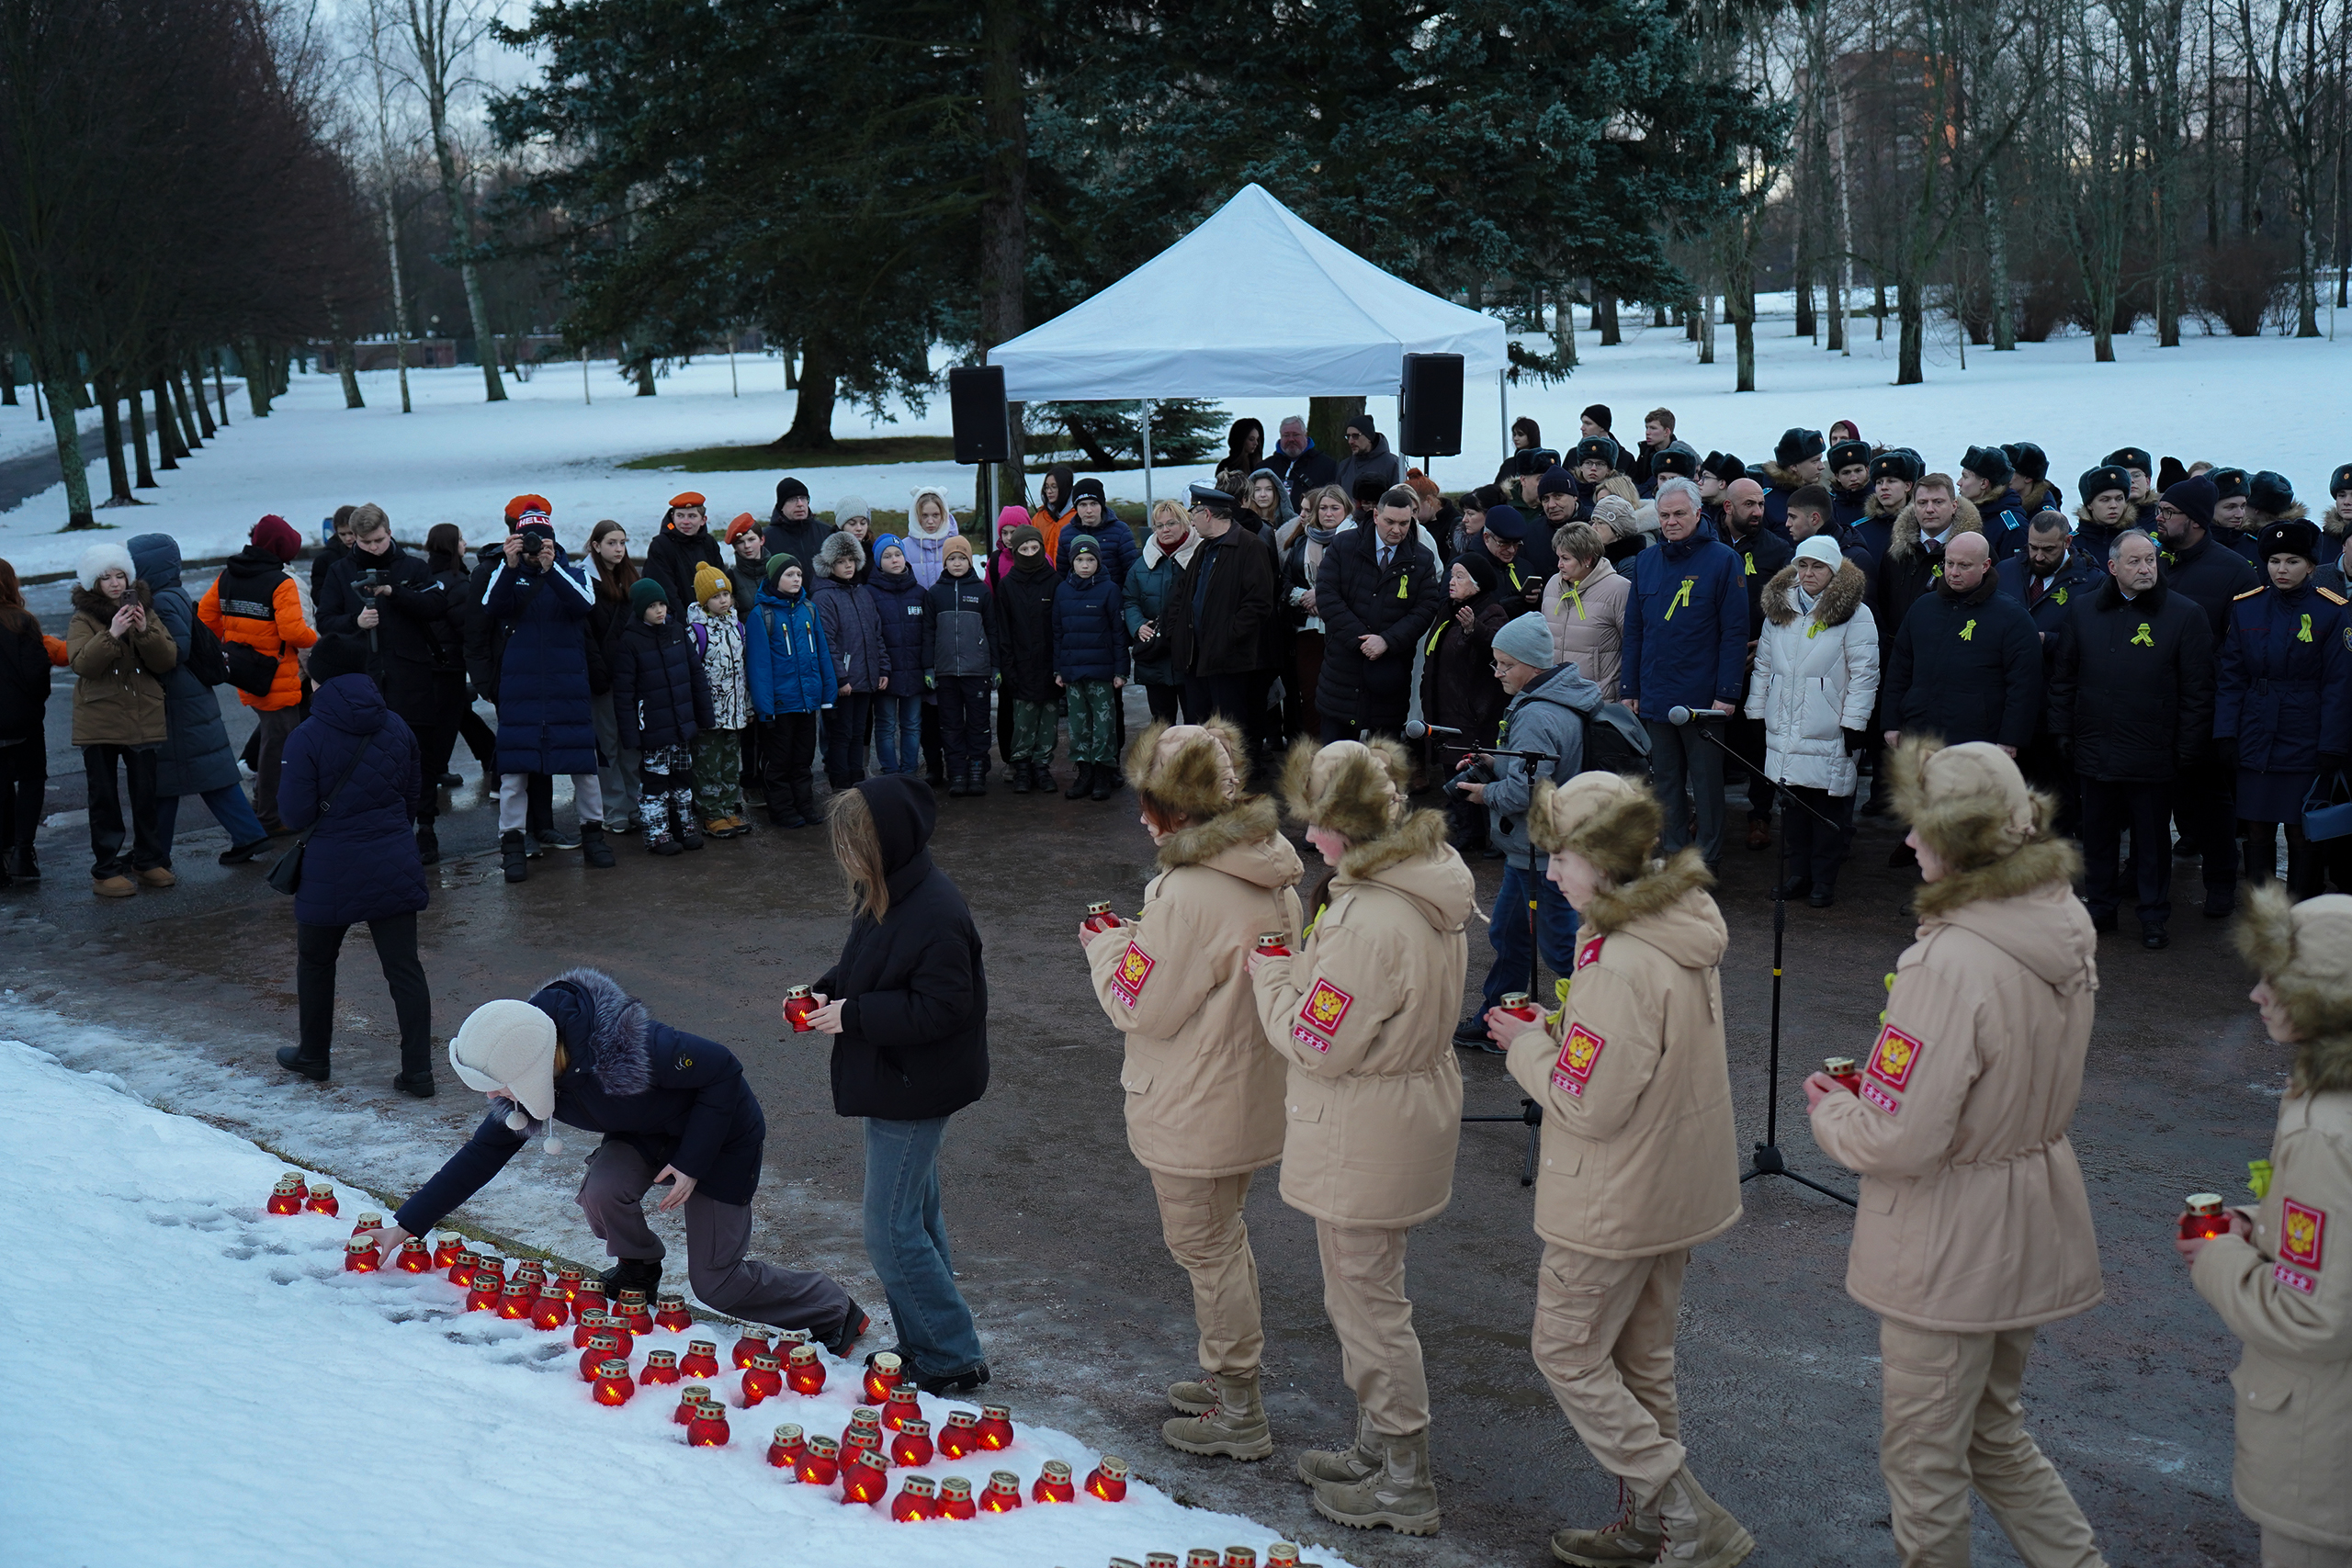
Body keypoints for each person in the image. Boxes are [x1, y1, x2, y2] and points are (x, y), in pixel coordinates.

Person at [1807, 739, 2112, 1568]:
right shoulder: (2061, 918)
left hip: (1949, 1238)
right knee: (1992, 1435)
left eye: (1922, 826)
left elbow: (1901, 1136)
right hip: (2027, 1211)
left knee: (1924, 1459)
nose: (1908, 841)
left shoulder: (1949, 961)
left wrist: (1835, 1114)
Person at [1487, 771, 1752, 1568]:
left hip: (1613, 1195)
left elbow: (1589, 1103)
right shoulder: (1676, 923)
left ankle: (1684, 1510)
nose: (1553, 870)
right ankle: (1655, 1523)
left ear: (1602, 859)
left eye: (1563, 855)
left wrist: (1525, 1045)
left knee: (1567, 1350)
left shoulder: (1621, 961)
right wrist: (1563, 1030)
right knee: (1642, 1361)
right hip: (1670, 1187)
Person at [369, 968, 866, 1345]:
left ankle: (832, 1311)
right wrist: (404, 1225)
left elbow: (722, 1069)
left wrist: (693, 1162)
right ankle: (639, 1268)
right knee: (602, 1192)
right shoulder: (532, 1077)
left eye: (494, 1084)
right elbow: (480, 1155)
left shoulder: (632, 1046)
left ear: (527, 1065)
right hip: (645, 1133)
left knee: (717, 1284)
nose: (490, 1096)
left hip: (717, 1135)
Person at [1251, 738, 1475, 1538]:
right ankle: (1377, 1446)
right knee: (1371, 1290)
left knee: (1369, 1304)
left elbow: (1318, 1041)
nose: (1310, 839)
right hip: (1402, 1110)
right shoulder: (1421, 881)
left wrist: (1273, 976)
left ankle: (1405, 1481)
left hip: (1364, 1124)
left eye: (1320, 824)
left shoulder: (1369, 915)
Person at [1080, 720, 1298, 1460]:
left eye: (1150, 802)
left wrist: (1109, 943)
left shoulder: (1187, 890)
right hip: (1245, 1091)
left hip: (1194, 1099)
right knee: (1222, 1240)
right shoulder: (1264, 869)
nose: (1141, 817)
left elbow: (1140, 1004)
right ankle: (1226, 1377)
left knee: (1206, 1247)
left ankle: (1238, 1402)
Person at [2185, 884, 2352, 1568]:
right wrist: (2263, 1224)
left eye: (2276, 979)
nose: (2257, 994)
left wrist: (2217, 1251)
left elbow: (2313, 1316)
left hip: (2324, 1452)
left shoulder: (2326, 1127)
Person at [807, 776, 989, 1394]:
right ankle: (928, 1343)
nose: (847, 860)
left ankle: (950, 1354)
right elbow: (867, 968)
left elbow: (943, 1007)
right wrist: (828, 989)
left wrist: (853, 1015)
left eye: (855, 847)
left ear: (885, 844)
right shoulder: (885, 892)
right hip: (896, 1078)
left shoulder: (936, 911)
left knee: (888, 1228)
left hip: (916, 1087)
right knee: (912, 1214)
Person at [270, 634, 433, 1092]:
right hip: (392, 859)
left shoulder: (306, 736)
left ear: (317, 677)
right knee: (404, 969)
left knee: (317, 963)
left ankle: (314, 1056)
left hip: (329, 867)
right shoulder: (396, 725)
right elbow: (412, 795)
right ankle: (419, 1071)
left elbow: (294, 814)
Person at [2048, 528, 2215, 948]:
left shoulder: (2185, 615)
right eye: (2135, 562)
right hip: (2096, 743)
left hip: (2153, 750)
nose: (2145, 569)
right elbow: (2065, 679)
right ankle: (2100, 908)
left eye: (2151, 561)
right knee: (2098, 835)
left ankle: (2154, 915)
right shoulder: (2084, 611)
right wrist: (2062, 730)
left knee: (2153, 840)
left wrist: (2187, 748)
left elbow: (2198, 692)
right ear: (2113, 567)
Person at [1449, 615, 1606, 1048]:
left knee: (1559, 948)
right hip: (1534, 849)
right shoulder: (1559, 700)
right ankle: (1499, 1016)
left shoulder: (1537, 714)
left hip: (1540, 852)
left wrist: (1485, 793)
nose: (1497, 673)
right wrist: (1495, 762)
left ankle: (1594, 1023)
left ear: (1531, 667)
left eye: (1504, 665)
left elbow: (1526, 789)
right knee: (1510, 934)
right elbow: (1532, 767)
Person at [2217, 519, 2352, 899]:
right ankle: (2263, 913)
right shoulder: (2248, 608)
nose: (2281, 569)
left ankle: (2302, 909)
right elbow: (2231, 675)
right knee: (2257, 826)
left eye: (2292, 561)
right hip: (2256, 730)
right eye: (2274, 560)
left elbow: (2339, 686)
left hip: (2305, 734)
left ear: (2311, 566)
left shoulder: (2330, 612)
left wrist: (2332, 746)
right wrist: (2225, 732)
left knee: (2300, 828)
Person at [481, 500, 616, 880]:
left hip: (567, 687)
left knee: (584, 767)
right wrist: (510, 567)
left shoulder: (574, 574)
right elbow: (491, 606)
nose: (536, 546)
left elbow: (584, 604)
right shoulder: (503, 574)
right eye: (528, 541)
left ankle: (594, 836)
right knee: (513, 773)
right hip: (521, 689)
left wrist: (551, 567)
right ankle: (512, 845)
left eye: (542, 541)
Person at [317, 504, 460, 861]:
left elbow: (436, 605)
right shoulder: (340, 570)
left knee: (419, 755)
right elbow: (325, 621)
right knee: (367, 760)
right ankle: (381, 830)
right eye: (366, 542)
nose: (374, 547)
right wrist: (355, 621)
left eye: (379, 540)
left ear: (390, 532)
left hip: (411, 676)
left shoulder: (412, 567)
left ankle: (425, 827)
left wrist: (396, 592)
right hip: (362, 677)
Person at [1746, 536, 1881, 907]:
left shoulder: (1855, 613)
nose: (1808, 573)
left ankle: (1824, 880)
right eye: (1802, 565)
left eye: (1817, 566)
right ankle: (1798, 874)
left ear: (1833, 570)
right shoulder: (1781, 608)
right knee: (1792, 807)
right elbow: (1764, 666)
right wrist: (1757, 712)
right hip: (1785, 725)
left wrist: (1855, 723)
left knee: (1828, 808)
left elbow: (1865, 672)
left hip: (1829, 726)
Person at [1622, 478, 1747, 873]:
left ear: (1697, 513)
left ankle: (1706, 862)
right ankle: (1674, 856)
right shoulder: (1645, 561)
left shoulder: (1723, 560)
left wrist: (1726, 693)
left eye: (1679, 514)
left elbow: (1735, 632)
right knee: (1666, 783)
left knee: (1708, 785)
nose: (1671, 521)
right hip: (1655, 693)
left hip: (1703, 698)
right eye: (1664, 515)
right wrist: (1631, 687)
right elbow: (1635, 630)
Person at [127, 534, 272, 869]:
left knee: (173, 780)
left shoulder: (161, 601)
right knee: (201, 777)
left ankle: (157, 852)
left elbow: (176, 651)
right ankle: (160, 849)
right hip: (187, 700)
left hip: (178, 704)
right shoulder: (170, 593)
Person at [2156, 474, 2261, 915]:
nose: (2158, 518)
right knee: (2152, 796)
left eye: (2168, 513)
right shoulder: (2154, 560)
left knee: (2209, 800)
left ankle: (2220, 880)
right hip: (2149, 701)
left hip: (2202, 702)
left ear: (2195, 521)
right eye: (2158, 510)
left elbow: (2240, 647)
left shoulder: (2234, 569)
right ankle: (2147, 871)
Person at [67, 543, 178, 897]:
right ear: (93, 583)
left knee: (145, 793)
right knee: (104, 797)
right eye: (106, 577)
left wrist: (145, 631)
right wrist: (111, 633)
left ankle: (147, 861)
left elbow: (167, 660)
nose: (115, 584)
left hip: (141, 713)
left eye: (120, 575)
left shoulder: (145, 609)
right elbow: (82, 664)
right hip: (99, 717)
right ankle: (105, 868)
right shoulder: (83, 618)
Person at [198, 513, 318, 836]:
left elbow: (205, 618)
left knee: (272, 741)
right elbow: (294, 631)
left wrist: (236, 641)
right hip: (277, 675)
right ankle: (270, 815)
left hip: (244, 671)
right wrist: (318, 642)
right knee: (280, 747)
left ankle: (268, 808)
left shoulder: (229, 575)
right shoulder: (281, 582)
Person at [1882, 532, 2041, 757]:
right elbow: (1899, 669)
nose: (1954, 573)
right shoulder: (1922, 609)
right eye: (1949, 563)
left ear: (1985, 565)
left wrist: (2011, 739)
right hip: (1919, 734)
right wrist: (1891, 722)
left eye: (1964, 566)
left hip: (1977, 741)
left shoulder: (2012, 617)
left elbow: (2024, 685)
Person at [1314, 485, 1443, 744]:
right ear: (1376, 516)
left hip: (1390, 673)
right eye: (1390, 522)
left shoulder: (1422, 559)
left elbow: (1426, 608)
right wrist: (1361, 638)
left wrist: (1387, 641)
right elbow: (1327, 596)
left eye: (1404, 523)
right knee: (1335, 759)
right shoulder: (1343, 546)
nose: (1396, 530)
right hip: (1343, 668)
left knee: (1385, 760)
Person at [614, 577, 713, 855]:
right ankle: (657, 834)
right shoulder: (631, 642)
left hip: (681, 724)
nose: (660, 611)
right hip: (653, 729)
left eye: (662, 605)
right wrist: (631, 733)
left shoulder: (677, 632)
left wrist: (703, 715)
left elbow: (695, 675)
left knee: (682, 779)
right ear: (639, 609)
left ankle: (684, 827)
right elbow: (624, 693)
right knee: (655, 785)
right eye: (653, 606)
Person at [1167, 484, 1277, 728]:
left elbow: (1259, 603)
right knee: (1197, 731)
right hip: (1195, 659)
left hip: (1229, 662)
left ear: (1206, 514)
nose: (1192, 523)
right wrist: (1177, 633)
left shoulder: (1250, 547)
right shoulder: (1203, 548)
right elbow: (1182, 596)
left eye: (1193, 515)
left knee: (1229, 733)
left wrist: (1228, 637)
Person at [1420, 554, 1512, 850]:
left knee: (1475, 771)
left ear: (1477, 584)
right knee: (1452, 769)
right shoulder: (1448, 609)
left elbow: (1499, 648)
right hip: (1445, 707)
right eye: (1452, 575)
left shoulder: (1491, 612)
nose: (1452, 581)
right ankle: (1468, 832)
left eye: (1460, 576)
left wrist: (1475, 631)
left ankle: (1493, 838)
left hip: (1474, 713)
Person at [744, 553, 831, 827]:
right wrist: (765, 708)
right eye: (789, 575)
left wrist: (827, 694)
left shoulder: (808, 609)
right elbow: (759, 667)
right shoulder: (762, 615)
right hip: (781, 705)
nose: (796, 580)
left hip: (806, 701)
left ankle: (804, 805)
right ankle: (782, 810)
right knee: (779, 761)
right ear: (774, 578)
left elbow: (823, 654)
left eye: (799, 575)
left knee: (804, 759)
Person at [1051, 534, 1128, 801]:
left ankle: (1103, 773)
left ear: (1099, 561)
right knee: (1078, 725)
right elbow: (1057, 632)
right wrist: (1058, 669)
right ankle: (1084, 773)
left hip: (1102, 673)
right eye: (1080, 560)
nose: (1085, 565)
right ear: (1072, 562)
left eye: (1091, 559)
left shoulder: (1109, 590)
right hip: (1073, 673)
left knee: (1104, 725)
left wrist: (1121, 670)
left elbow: (1119, 633)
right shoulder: (1063, 590)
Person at [0, 559, 62, 886]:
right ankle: (23, 852)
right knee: (31, 780)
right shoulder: (21, 622)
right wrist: (32, 703)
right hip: (21, 720)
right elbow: (37, 672)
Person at [921, 535, 996, 797]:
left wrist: (995, 666)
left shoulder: (981, 591)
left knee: (978, 723)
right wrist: (928, 668)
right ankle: (957, 772)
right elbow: (927, 633)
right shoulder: (935, 593)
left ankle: (976, 769)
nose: (956, 563)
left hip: (977, 671)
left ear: (969, 560)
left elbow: (993, 631)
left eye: (962, 558)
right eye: (951, 559)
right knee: (950, 724)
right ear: (945, 562)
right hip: (946, 673)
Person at [991, 522, 1063, 794]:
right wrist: (1008, 668)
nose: (1030, 553)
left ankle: (1042, 766)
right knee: (1023, 721)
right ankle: (1021, 766)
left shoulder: (1054, 581)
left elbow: (1059, 627)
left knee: (1048, 721)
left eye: (1035, 547)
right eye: (1025, 548)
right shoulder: (1008, 586)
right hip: (1020, 666)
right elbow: (1003, 631)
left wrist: (1059, 666)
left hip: (1048, 665)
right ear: (1016, 550)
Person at [813, 531, 888, 789]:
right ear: (830, 564)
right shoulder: (824, 597)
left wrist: (882, 669)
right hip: (844, 681)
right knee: (841, 734)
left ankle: (857, 781)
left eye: (851, 560)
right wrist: (840, 678)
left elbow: (876, 634)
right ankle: (840, 782)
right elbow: (827, 642)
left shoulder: (862, 593)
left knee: (858, 732)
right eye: (842, 561)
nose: (848, 566)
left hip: (865, 677)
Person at [584, 519, 643, 834]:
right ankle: (614, 809)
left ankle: (635, 804)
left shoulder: (631, 576)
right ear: (595, 545)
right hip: (603, 677)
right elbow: (587, 635)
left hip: (631, 676)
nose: (619, 549)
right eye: (611, 543)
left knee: (631, 743)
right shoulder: (584, 580)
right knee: (607, 744)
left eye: (622, 542)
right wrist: (599, 672)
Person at [684, 563, 752, 838]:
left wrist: (746, 706)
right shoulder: (697, 632)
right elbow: (692, 674)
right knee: (707, 765)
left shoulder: (737, 626)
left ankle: (727, 808)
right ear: (704, 600)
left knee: (729, 763)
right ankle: (711, 813)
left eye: (726, 595)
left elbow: (743, 669)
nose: (723, 601)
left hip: (735, 712)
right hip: (710, 714)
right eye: (716, 596)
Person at [1280, 487, 1349, 739]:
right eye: (1323, 508)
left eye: (1334, 508)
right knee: (1309, 693)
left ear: (1346, 510)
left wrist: (1322, 597)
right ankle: (1314, 752)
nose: (1328, 513)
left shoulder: (1355, 541)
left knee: (1340, 695)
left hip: (1341, 630)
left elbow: (1358, 585)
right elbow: (1285, 581)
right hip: (1307, 628)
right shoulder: (1301, 541)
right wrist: (1303, 597)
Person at [1542, 521, 1629, 703]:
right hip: (1556, 698)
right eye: (1558, 557)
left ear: (1588, 559)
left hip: (1600, 701)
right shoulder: (1552, 585)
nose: (1559, 565)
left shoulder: (1619, 589)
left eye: (1566, 559)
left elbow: (1632, 645)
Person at [864, 536, 928, 779]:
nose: (894, 560)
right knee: (886, 725)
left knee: (912, 724)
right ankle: (890, 772)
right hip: (885, 675)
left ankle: (909, 772)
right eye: (887, 556)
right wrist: (880, 668)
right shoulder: (869, 593)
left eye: (898, 554)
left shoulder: (919, 593)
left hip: (914, 671)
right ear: (879, 562)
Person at [1129, 500, 1196, 728]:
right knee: (1161, 723)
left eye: (1171, 523)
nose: (1165, 530)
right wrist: (1137, 625)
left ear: (1186, 524)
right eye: (1159, 526)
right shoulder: (1141, 564)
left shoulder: (1201, 557)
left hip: (1190, 655)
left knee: (1195, 722)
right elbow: (1129, 600)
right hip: (1155, 656)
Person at [642, 491, 725, 615]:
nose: (685, 522)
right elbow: (666, 591)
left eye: (692, 516)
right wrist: (685, 624)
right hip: (677, 620)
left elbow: (720, 582)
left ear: (703, 520)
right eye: (680, 516)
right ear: (673, 517)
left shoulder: (709, 543)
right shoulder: (661, 546)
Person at [1959, 445, 2030, 559]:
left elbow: (2014, 572)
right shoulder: (1965, 515)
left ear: (1983, 484)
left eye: (1965, 477)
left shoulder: (2013, 528)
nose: (1959, 483)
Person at [1761, 426, 1826, 536]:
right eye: (1815, 461)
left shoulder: (1823, 497)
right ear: (1794, 466)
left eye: (1821, 459)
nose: (1822, 466)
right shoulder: (1764, 502)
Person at [1269, 414, 1341, 513]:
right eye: (1286, 435)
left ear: (1305, 435)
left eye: (1295, 435)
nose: (1291, 439)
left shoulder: (1327, 466)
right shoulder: (1267, 467)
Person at [1333, 415, 1407, 503]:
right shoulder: (1344, 466)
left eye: (1355, 436)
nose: (1350, 441)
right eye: (1348, 436)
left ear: (1369, 437)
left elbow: (1400, 501)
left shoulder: (1393, 464)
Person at [763, 477, 829, 568]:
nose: (800, 504)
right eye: (792, 499)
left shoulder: (826, 532)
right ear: (781, 506)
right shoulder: (766, 538)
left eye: (803, 498)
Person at [2074, 465, 2135, 560]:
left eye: (2119, 499)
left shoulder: (2137, 539)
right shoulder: (2073, 544)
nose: (2113, 505)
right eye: (2105, 500)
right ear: (2090, 504)